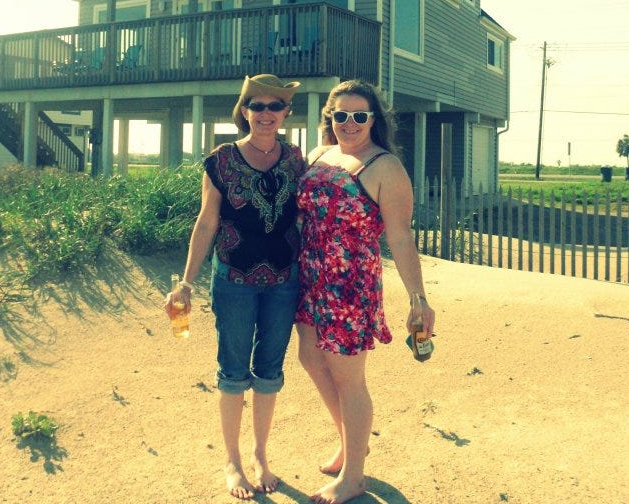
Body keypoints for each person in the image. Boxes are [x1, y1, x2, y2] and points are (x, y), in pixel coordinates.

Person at [165, 74, 306, 500]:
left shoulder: (296, 160)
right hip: (234, 280)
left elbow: (305, 219)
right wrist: (186, 281)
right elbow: (207, 221)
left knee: (269, 371)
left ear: (285, 113)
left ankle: (262, 456)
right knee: (232, 371)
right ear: (244, 111)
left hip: (285, 280)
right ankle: (233, 461)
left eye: (275, 106)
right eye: (256, 106)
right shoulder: (222, 159)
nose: (266, 114)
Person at [295, 79, 436, 504]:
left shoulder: (385, 167)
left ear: (374, 120)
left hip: (349, 284)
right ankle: (349, 440)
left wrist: (419, 298)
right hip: (309, 277)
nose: (350, 123)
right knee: (309, 358)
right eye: (341, 115)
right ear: (330, 119)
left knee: (348, 379)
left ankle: (353, 475)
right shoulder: (318, 155)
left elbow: (401, 237)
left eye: (360, 115)